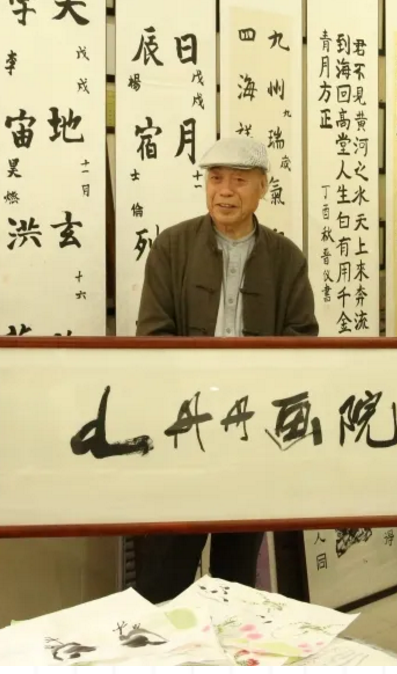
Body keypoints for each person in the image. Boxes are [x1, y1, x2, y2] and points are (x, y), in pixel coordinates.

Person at [133, 136, 318, 602]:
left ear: (263, 188)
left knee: (236, 573)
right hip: (184, 427)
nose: (225, 191)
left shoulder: (286, 258)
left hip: (251, 432)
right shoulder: (172, 247)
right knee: (165, 567)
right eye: (215, 179)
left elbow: (302, 339)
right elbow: (152, 336)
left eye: (239, 180)